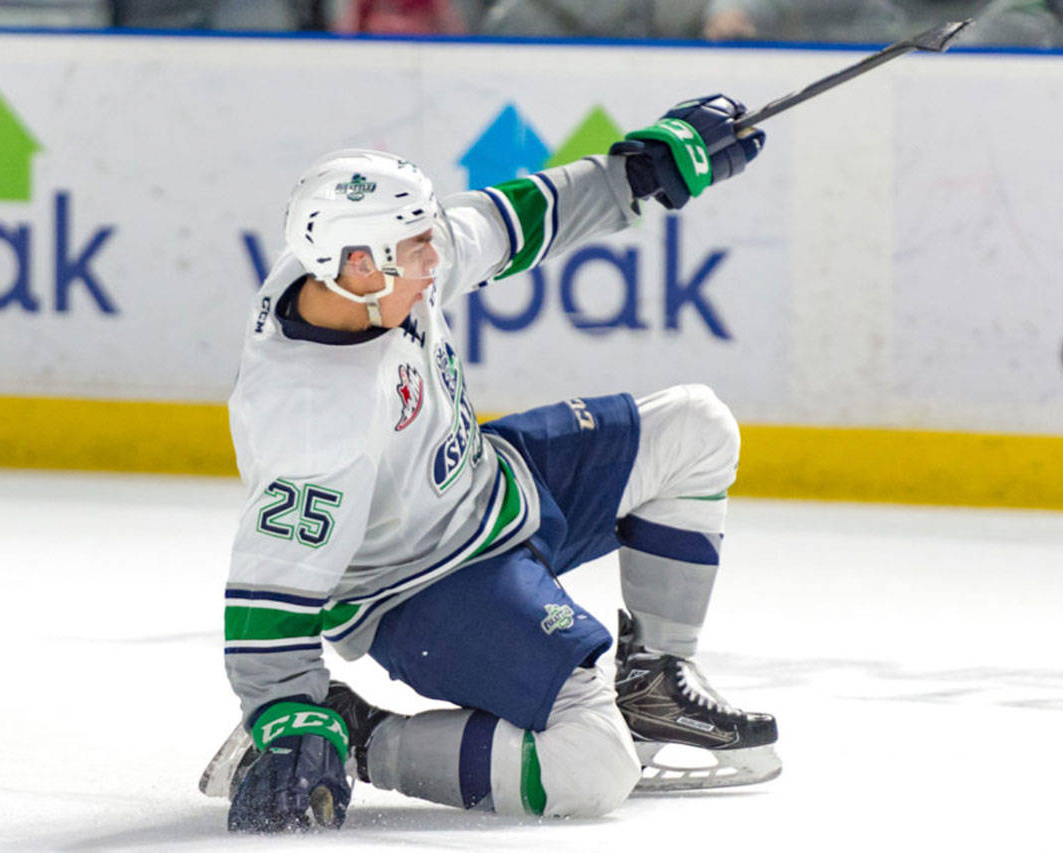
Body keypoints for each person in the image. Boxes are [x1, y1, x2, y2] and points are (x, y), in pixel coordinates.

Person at [198, 94, 779, 833]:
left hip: (492, 482)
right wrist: (286, 708)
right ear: (356, 266)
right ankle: (363, 732)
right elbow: (268, 589)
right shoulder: (313, 420)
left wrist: (634, 174)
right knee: (595, 766)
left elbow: (512, 222)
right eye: (416, 249)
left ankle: (653, 686)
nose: (435, 257)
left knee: (697, 426)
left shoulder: (375, 270)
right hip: (422, 584)